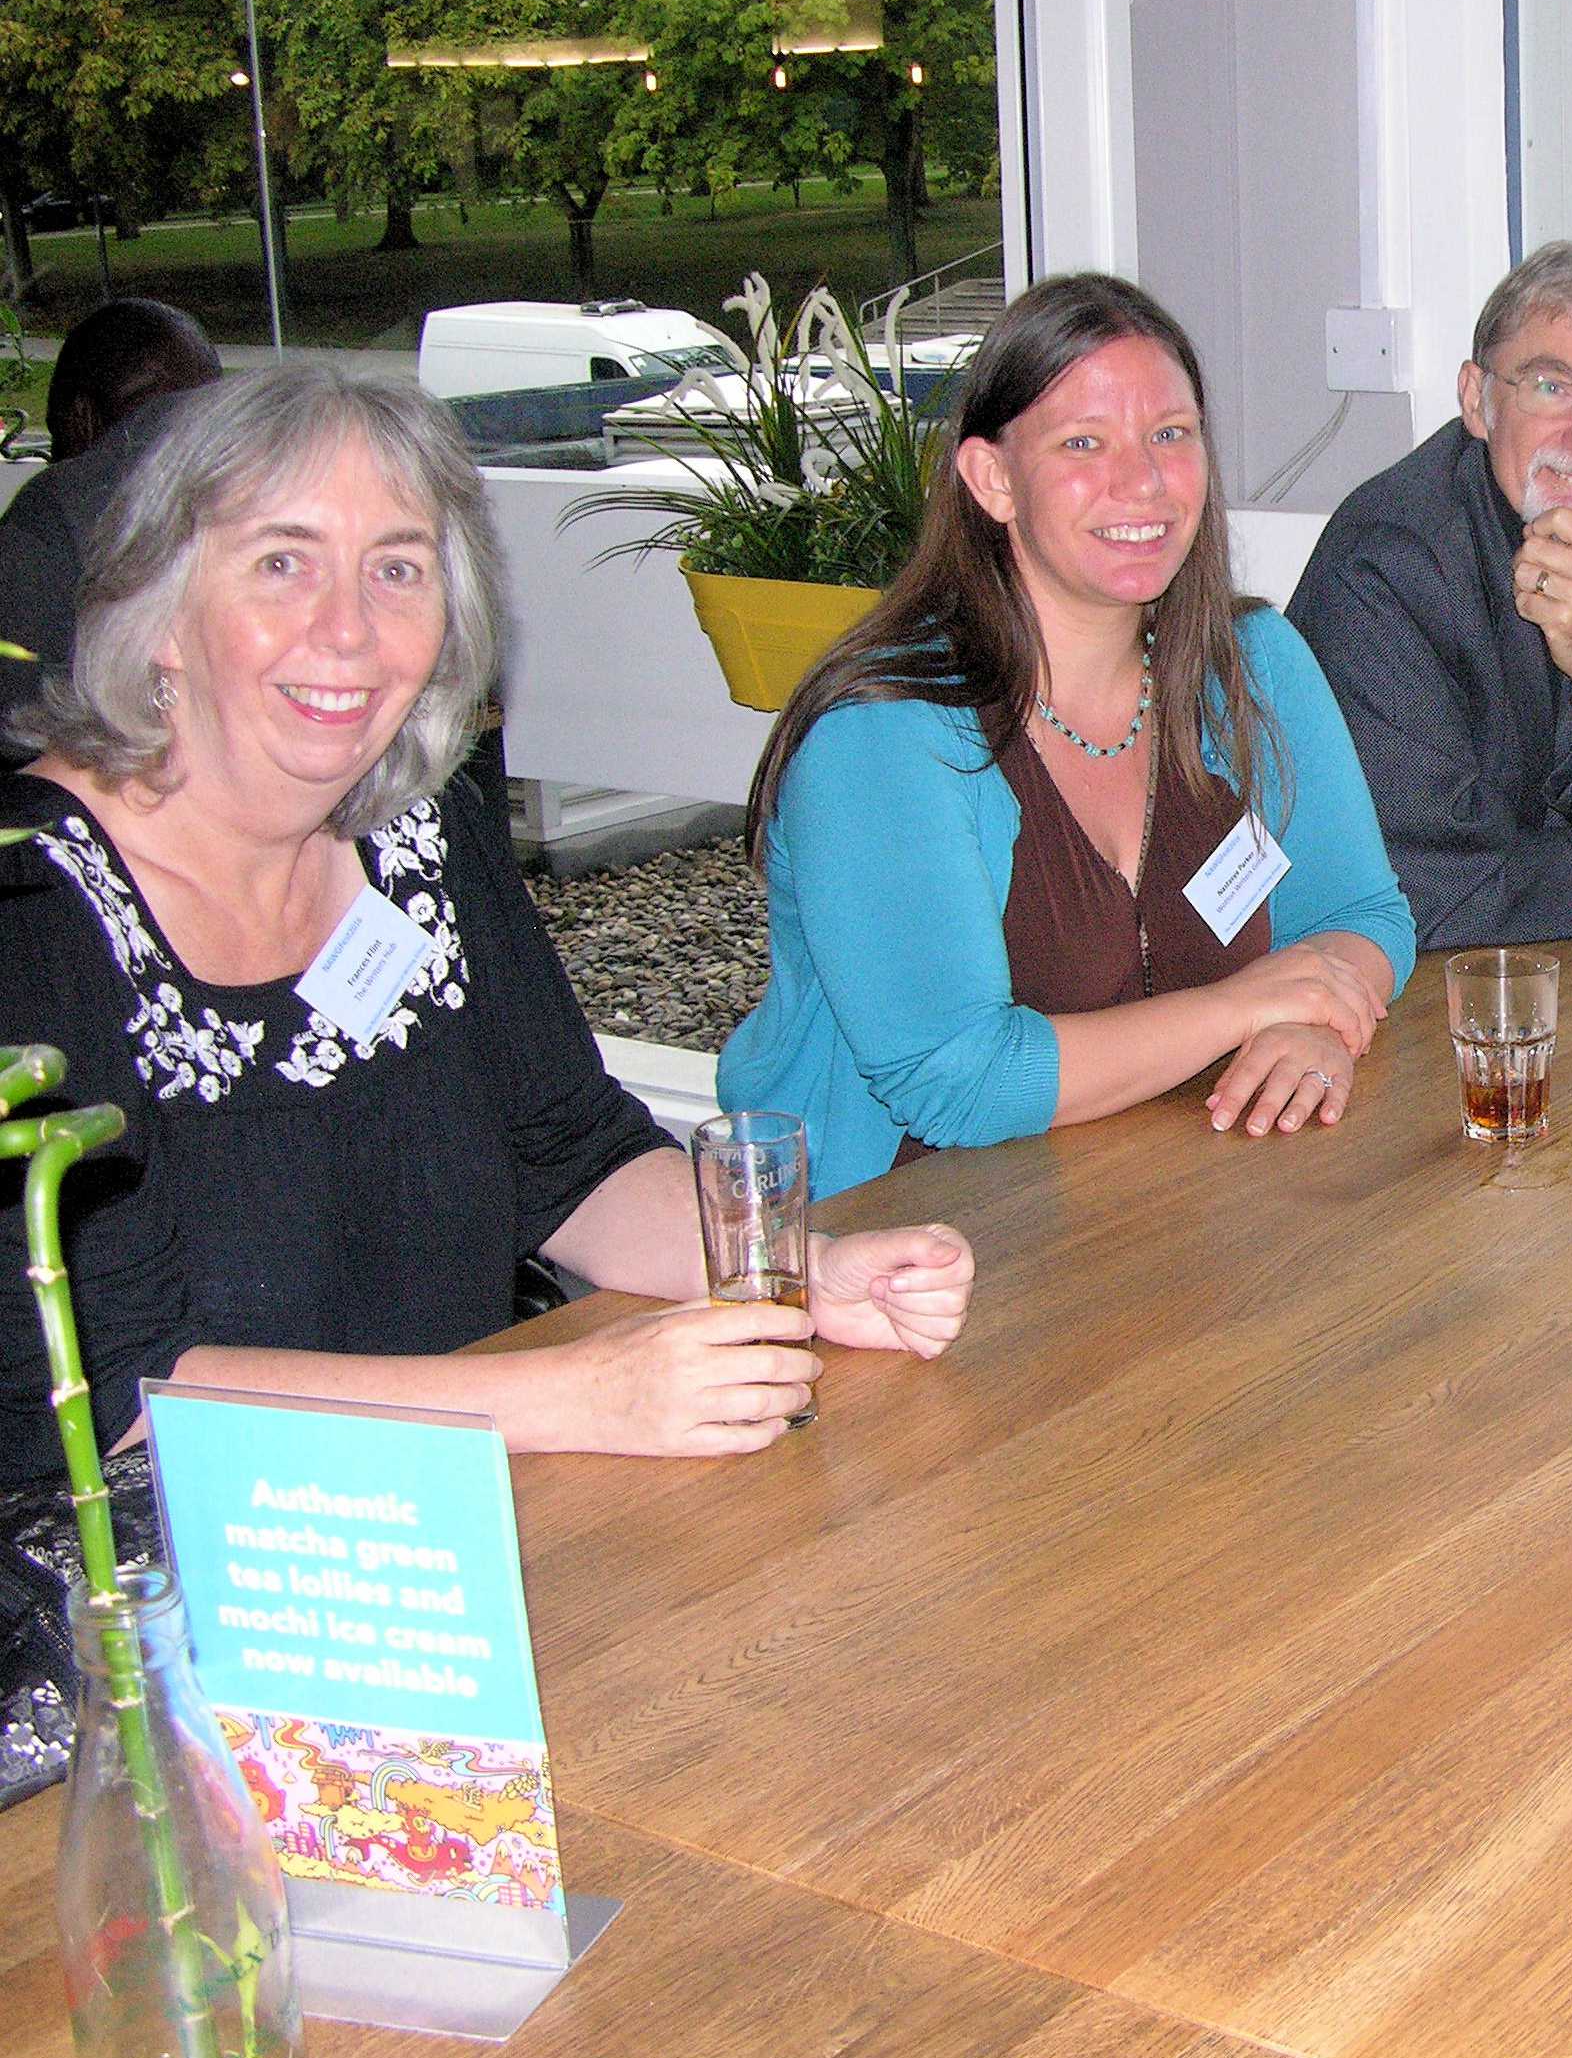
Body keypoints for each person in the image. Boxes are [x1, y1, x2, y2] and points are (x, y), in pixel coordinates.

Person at [0, 365, 975, 1482]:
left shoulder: (422, 835)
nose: (349, 629)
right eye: (280, 563)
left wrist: (800, 1270)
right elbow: (105, 1397)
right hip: (159, 1561)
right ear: (160, 611)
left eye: (397, 569)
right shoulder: (27, 905)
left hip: (454, 1514)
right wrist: (571, 1394)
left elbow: (571, 1158)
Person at [717, 274, 1417, 1199]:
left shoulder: (1251, 667)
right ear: (993, 479)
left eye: (1171, 434)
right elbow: (953, 1079)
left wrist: (1317, 1021)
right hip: (894, 1230)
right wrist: (1247, 1006)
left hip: (1165, 1195)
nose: (1143, 481)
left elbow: (1360, 913)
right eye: (1084, 443)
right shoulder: (885, 732)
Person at [1288, 239, 1572, 949]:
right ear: (1477, 401)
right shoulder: (1385, 565)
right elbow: (1423, 891)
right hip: (1398, 986)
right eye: (1551, 387)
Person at [1, 299, 226, 746]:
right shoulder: (53, 530)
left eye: (204, 413)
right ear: (82, 420)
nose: (184, 435)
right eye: (156, 415)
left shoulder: (51, 521)